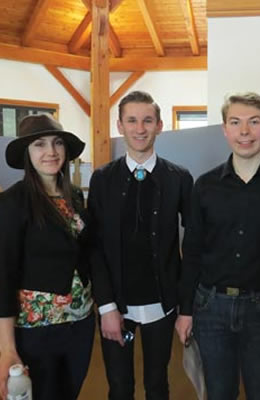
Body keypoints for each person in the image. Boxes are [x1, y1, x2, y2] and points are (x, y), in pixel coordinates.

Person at [175, 92, 260, 400]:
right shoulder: (204, 186)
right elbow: (192, 253)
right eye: (236, 122)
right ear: (224, 129)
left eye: (254, 122)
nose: (245, 132)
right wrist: (185, 310)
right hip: (210, 308)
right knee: (218, 392)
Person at [88, 90, 193, 400]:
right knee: (119, 387)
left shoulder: (179, 178)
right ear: (120, 126)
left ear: (160, 125)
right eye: (131, 120)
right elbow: (93, 246)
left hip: (162, 303)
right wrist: (106, 305)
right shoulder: (102, 179)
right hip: (116, 304)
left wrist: (186, 307)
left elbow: (196, 243)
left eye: (147, 120)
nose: (140, 128)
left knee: (158, 384)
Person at [0, 114, 95, 400]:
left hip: (80, 324)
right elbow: (3, 274)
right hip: (37, 330)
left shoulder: (75, 197)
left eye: (57, 143)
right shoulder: (12, 202)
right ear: (28, 154)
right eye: (39, 145)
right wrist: (7, 348)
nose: (51, 152)